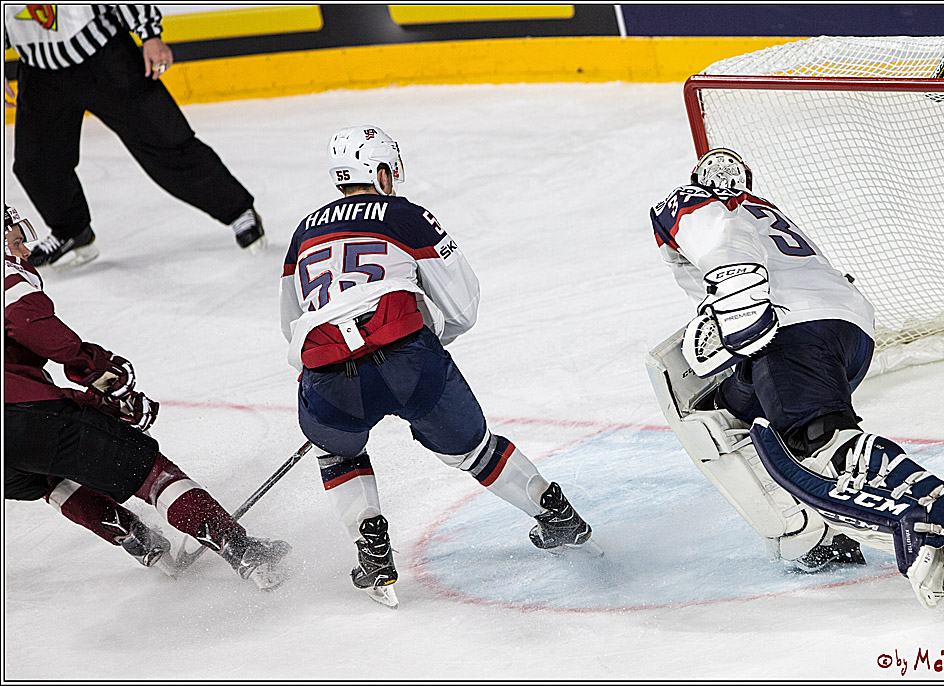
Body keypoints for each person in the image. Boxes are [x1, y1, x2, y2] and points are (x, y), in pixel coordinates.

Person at [647, 148, 944, 608]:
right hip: (848, 331)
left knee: (819, 439)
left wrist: (737, 291)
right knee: (731, 418)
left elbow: (706, 226)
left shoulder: (698, 202)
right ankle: (821, 537)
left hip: (789, 328)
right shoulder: (763, 209)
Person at [280, 125, 598, 607]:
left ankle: (373, 549)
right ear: (381, 171)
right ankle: (554, 513)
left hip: (327, 371)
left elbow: (291, 323)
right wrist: (425, 342)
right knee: (474, 450)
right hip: (408, 357)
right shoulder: (405, 215)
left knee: (339, 453)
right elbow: (463, 304)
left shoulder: (302, 232)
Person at [4, 204, 289, 588]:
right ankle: (243, 551)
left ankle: (141, 541)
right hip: (18, 412)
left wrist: (93, 403)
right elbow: (35, 331)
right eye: (17, 240)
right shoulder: (8, 277)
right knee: (149, 470)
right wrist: (105, 376)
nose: (24, 251)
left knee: (47, 473)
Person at [3, 4, 265, 270]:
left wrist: (150, 35)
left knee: (166, 142)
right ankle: (72, 231)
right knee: (36, 163)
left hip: (104, 57)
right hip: (39, 72)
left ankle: (238, 210)